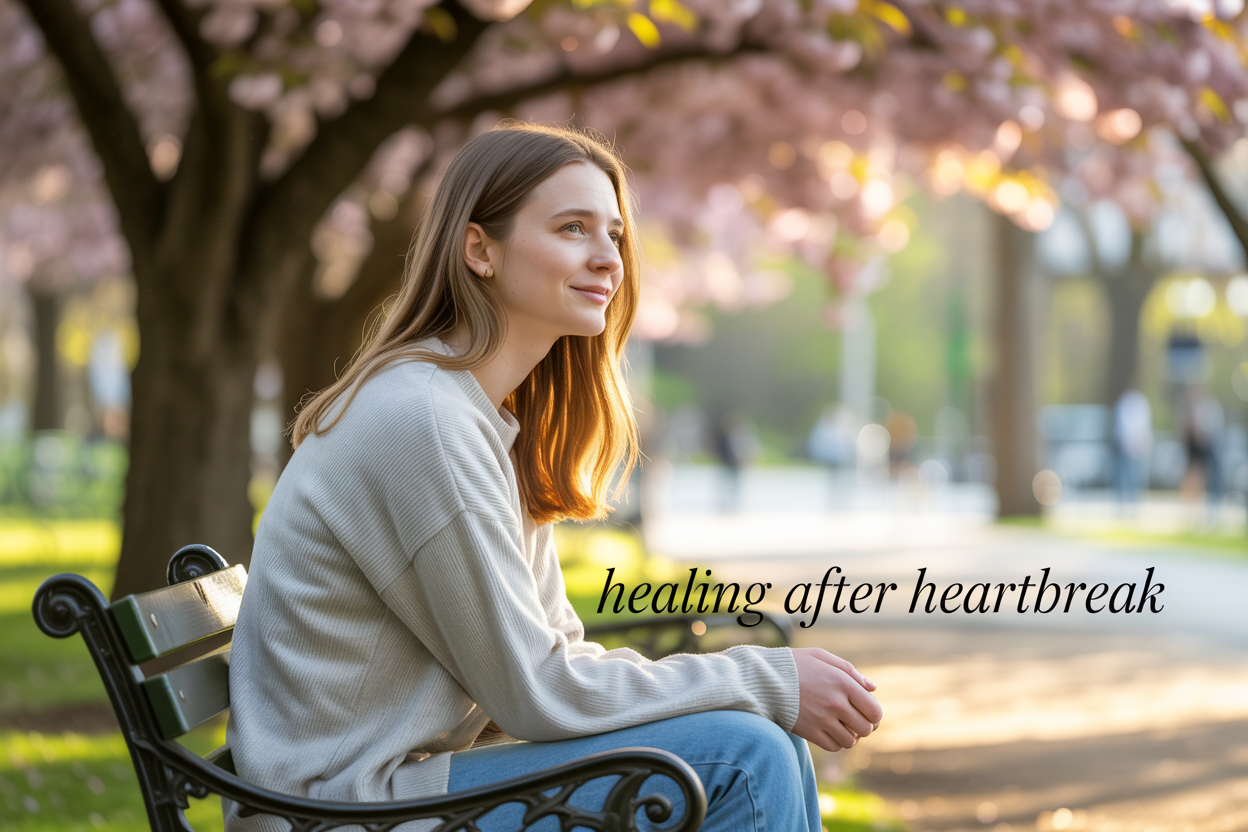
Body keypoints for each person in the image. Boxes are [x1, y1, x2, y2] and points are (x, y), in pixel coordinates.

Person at [224, 122, 882, 832]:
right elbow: (537, 691)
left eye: (615, 235)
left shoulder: (474, 419)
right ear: (480, 249)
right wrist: (765, 679)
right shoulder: (424, 422)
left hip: (387, 793)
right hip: (337, 811)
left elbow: (554, 657)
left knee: (761, 742)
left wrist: (759, 692)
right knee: (744, 754)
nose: (608, 258)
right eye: (573, 228)